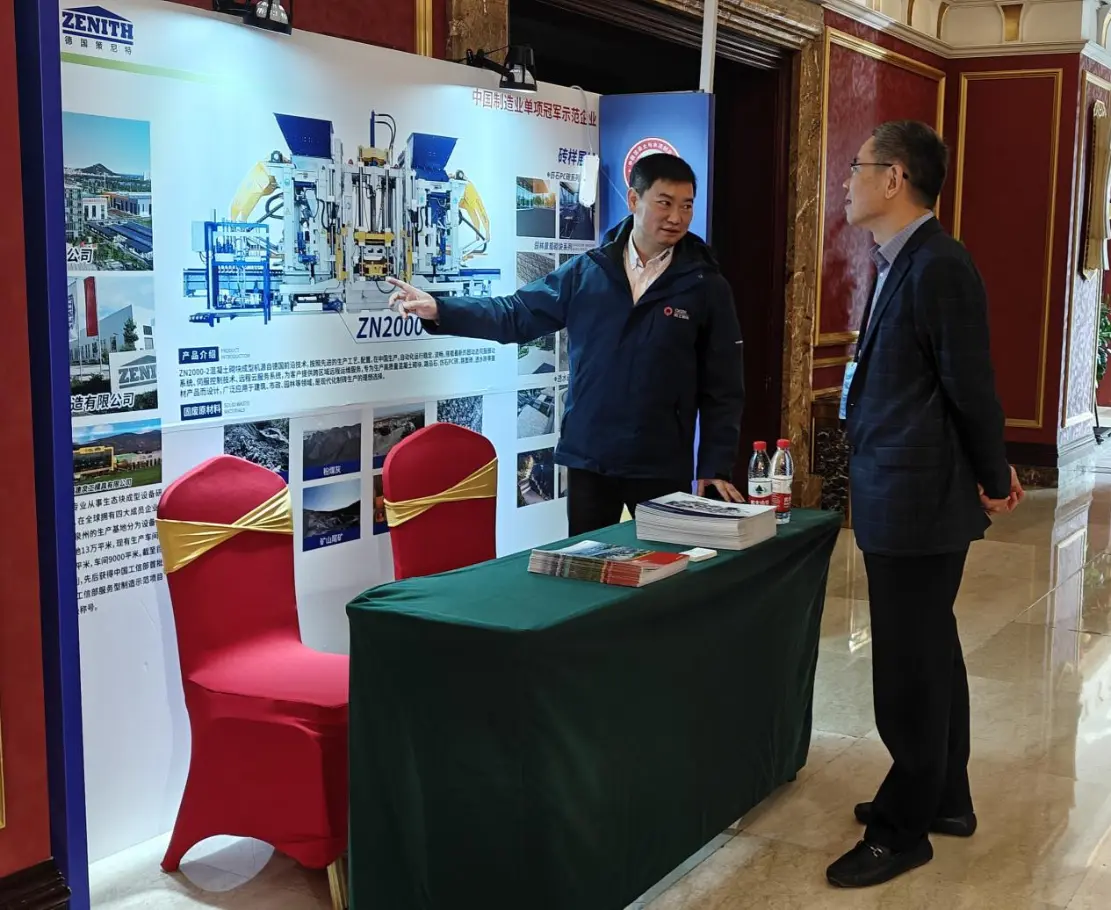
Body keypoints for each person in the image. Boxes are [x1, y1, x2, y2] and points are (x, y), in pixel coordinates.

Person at [828, 120, 1024, 889]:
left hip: (916, 498)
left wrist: (993, 473)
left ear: (894, 178)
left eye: (856, 167)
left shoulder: (938, 264)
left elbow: (969, 383)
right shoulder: (900, 259)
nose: (846, 180)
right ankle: (945, 796)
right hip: (900, 489)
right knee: (931, 649)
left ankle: (900, 829)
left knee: (906, 669)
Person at [386, 153, 746, 535]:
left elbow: (723, 386)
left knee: (664, 566)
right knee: (587, 565)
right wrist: (441, 309)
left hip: (660, 462)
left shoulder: (705, 285)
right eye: (665, 203)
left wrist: (715, 465)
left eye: (686, 206)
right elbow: (515, 314)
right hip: (589, 455)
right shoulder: (589, 271)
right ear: (634, 199)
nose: (676, 217)